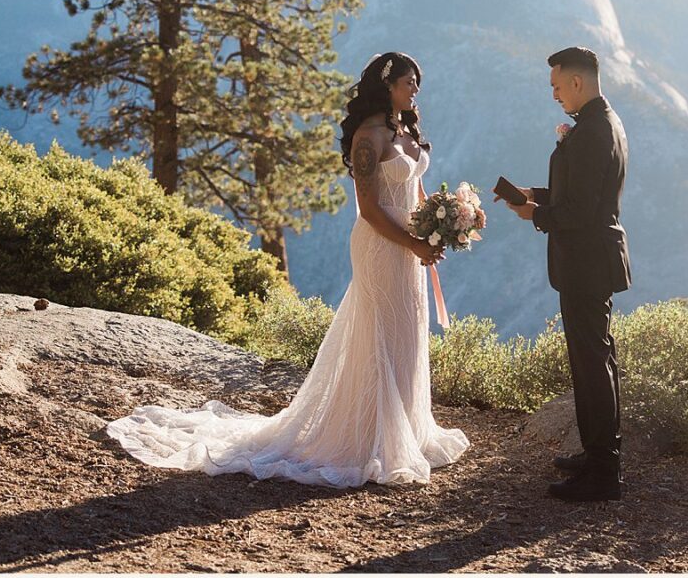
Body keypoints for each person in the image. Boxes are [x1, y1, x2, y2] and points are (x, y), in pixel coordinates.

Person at [104, 51, 469, 487]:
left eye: (417, 84)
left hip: (409, 248)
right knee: (380, 334)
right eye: (409, 82)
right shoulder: (369, 137)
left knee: (405, 332)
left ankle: (402, 429)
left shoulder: (404, 128)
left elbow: (414, 187)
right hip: (381, 245)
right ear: (386, 85)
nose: (415, 91)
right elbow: (371, 208)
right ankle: (367, 438)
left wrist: (438, 226)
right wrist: (412, 240)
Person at [499, 46, 630, 502]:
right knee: (594, 360)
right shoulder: (599, 123)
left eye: (557, 86)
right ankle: (597, 453)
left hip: (587, 261)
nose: (554, 95)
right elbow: (576, 192)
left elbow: (580, 210)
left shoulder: (594, 131)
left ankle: (603, 471)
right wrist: (530, 193)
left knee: (593, 364)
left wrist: (535, 214)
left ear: (577, 82)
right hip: (589, 260)